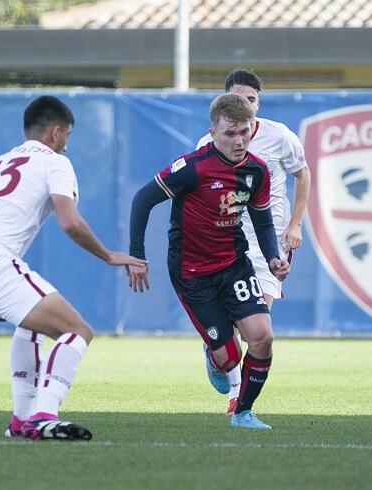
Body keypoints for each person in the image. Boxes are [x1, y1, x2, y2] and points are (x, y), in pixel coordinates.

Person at [0, 95, 146, 441]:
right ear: (55, 132)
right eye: (67, 136)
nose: (66, 143)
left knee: (28, 323)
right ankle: (44, 414)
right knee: (78, 330)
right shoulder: (56, 162)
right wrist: (109, 256)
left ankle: (20, 419)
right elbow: (70, 223)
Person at [127, 93, 290, 430]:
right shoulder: (192, 167)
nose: (238, 140)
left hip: (234, 265)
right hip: (192, 273)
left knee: (262, 336)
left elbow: (261, 221)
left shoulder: (257, 170)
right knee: (229, 357)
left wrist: (273, 256)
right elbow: (143, 199)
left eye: (244, 131)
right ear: (213, 133)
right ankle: (216, 355)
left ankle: (243, 413)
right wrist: (137, 256)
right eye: (230, 133)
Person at [196, 69, 311, 415]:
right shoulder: (208, 144)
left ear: (258, 102)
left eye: (252, 100)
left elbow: (302, 173)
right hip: (226, 241)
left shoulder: (280, 137)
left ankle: (238, 399)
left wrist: (295, 224)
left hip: (270, 243)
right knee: (229, 332)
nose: (246, 106)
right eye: (239, 99)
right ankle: (222, 363)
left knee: (256, 328)